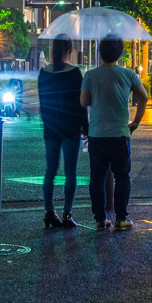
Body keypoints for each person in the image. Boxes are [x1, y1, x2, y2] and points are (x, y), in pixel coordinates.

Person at [80, 35, 148, 231]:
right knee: (122, 176)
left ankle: (100, 219)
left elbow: (84, 102)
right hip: (120, 133)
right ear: (120, 52)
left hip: (97, 134)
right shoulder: (128, 74)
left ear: (100, 52)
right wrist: (136, 122)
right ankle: (121, 218)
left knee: (96, 178)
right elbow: (143, 98)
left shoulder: (90, 75)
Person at [38, 34, 88, 228]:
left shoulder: (44, 72)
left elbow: (44, 104)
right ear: (70, 50)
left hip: (51, 128)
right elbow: (81, 104)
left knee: (50, 170)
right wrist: (85, 126)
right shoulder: (75, 72)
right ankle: (67, 213)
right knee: (70, 172)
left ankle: (48, 211)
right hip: (70, 128)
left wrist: (48, 123)